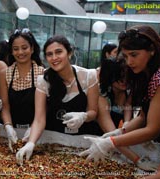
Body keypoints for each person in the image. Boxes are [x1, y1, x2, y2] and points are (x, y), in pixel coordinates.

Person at [80, 25, 160, 168]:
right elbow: (142, 116)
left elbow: (153, 129)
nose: (129, 62)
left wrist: (112, 142)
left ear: (152, 50)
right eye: (126, 56)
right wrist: (119, 132)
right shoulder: (145, 74)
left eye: (134, 55)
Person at [16, 35, 99, 165]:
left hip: (82, 140)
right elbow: (39, 118)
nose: (54, 58)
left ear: (69, 53)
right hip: (54, 139)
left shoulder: (89, 76)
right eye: (49, 54)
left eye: (59, 52)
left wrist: (83, 116)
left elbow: (93, 111)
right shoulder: (44, 80)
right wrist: (31, 143)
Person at [0, 28, 44, 152]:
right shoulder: (5, 74)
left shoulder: (42, 73)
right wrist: (8, 126)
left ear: (32, 49)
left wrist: (33, 129)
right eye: (16, 49)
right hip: (13, 133)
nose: (20, 52)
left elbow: (44, 108)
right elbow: (5, 106)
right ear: (11, 52)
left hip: (37, 133)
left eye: (24, 47)